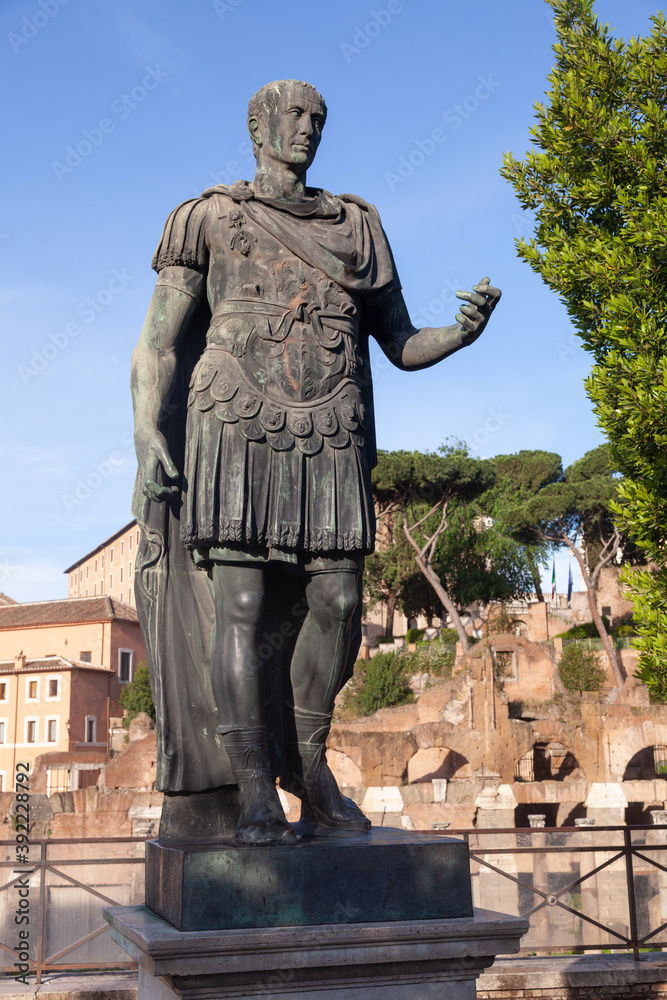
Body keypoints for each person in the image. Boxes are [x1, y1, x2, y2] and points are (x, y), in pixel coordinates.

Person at [131, 79, 500, 845]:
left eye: (318, 120)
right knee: (238, 607)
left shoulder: (357, 228)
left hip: (330, 428)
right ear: (256, 126)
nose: (307, 129)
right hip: (234, 422)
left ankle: (310, 766)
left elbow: (399, 343)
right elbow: (159, 340)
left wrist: (459, 334)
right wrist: (145, 430)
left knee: (336, 600)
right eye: (293, 117)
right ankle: (253, 785)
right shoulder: (207, 217)